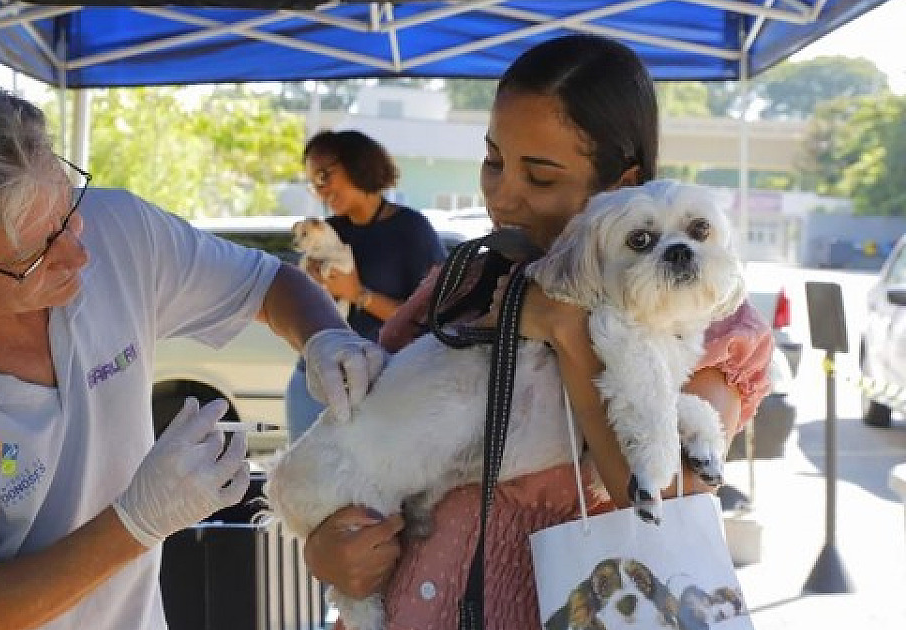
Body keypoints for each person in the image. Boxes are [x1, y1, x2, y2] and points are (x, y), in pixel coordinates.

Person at [0, 69, 387, 630]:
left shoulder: (117, 231)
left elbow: (266, 284)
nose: (78, 255)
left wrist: (325, 338)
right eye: (33, 255)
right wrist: (136, 522)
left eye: (68, 211)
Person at [302, 34, 774, 629]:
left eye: (541, 177)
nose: (504, 196)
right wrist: (325, 550)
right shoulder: (462, 283)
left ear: (621, 183)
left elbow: (670, 502)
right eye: (494, 161)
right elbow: (361, 441)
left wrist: (566, 335)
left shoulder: (702, 315)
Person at [286, 130, 446, 440]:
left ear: (357, 164)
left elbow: (434, 320)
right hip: (313, 381)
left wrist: (358, 294)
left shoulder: (411, 229)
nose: (320, 191)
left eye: (323, 176)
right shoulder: (328, 232)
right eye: (313, 184)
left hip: (381, 386)